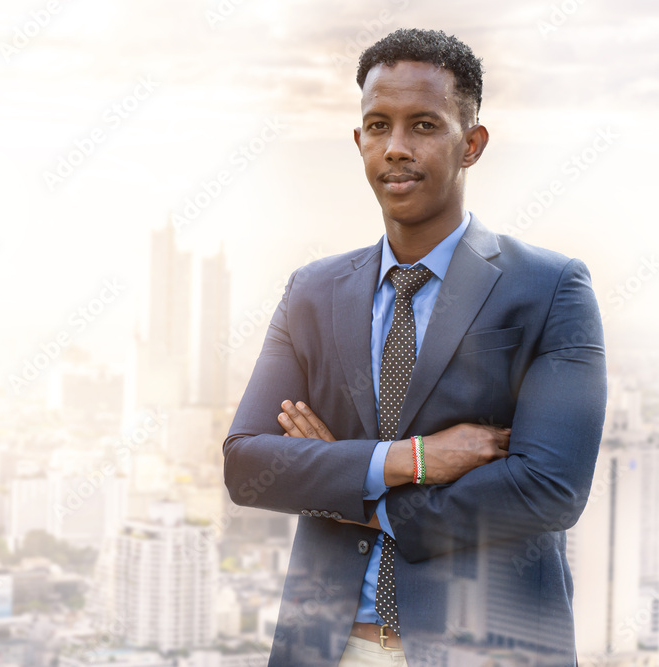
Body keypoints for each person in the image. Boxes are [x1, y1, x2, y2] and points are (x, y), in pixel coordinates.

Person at [222, 28, 606, 667]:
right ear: (359, 142)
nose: (396, 148)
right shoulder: (312, 291)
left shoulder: (549, 288)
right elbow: (246, 464)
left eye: (424, 125)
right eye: (378, 126)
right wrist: (409, 460)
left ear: (472, 144)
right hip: (328, 648)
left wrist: (356, 489)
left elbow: (548, 487)